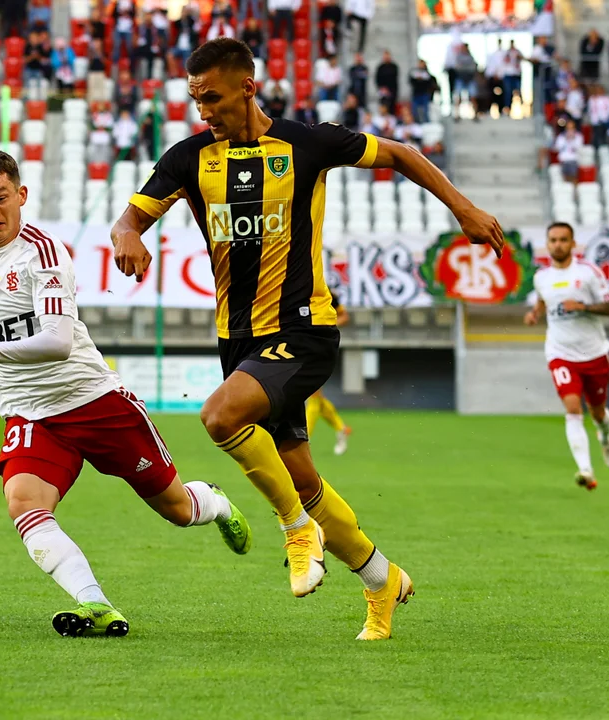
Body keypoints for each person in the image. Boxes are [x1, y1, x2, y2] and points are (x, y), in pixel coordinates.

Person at [110, 38, 505, 640]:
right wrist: (127, 235)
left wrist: (464, 209)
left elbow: (399, 153)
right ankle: (382, 580)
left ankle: (297, 531)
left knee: (219, 417)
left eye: (212, 98)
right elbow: (131, 217)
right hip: (237, 340)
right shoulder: (190, 158)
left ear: (247, 87)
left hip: (303, 328)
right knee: (303, 479)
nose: (203, 111)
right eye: (195, 100)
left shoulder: (307, 144)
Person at [0, 150, 252, 637]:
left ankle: (215, 503)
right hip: (30, 414)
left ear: (21, 195)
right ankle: (95, 604)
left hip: (93, 401)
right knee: (24, 504)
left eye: (1, 197)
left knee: (178, 509)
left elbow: (57, 342)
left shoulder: (43, 254)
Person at [524, 222, 609, 491]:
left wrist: (582, 306)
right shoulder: (542, 277)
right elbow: (543, 299)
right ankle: (586, 470)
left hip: (594, 353)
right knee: (573, 408)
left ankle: (605, 437)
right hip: (560, 352)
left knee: (598, 412)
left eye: (563, 240)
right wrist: (535, 313)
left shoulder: (588, 273)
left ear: (573, 243)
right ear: (547, 244)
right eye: (553, 240)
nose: (558, 245)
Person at [305, 291, 351, 456]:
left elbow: (344, 316)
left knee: (313, 394)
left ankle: (305, 437)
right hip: (301, 345)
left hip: (318, 347)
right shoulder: (296, 288)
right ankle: (341, 428)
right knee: (317, 396)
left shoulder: (326, 293)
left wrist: (326, 328)